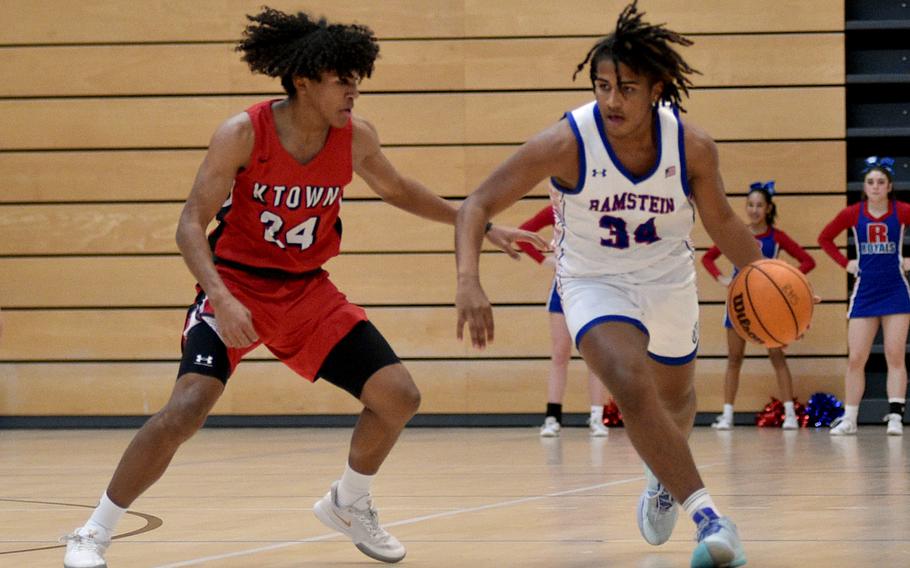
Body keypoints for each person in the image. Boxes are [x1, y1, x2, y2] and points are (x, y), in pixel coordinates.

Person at [62, 8, 543, 568]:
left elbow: (400, 190)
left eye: (357, 79)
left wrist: (480, 224)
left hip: (307, 292)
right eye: (342, 80)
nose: (353, 92)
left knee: (398, 397)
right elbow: (190, 225)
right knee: (187, 408)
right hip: (237, 286)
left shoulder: (354, 138)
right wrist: (220, 296)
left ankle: (349, 502)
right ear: (304, 80)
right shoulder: (243, 133)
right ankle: (93, 531)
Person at [455, 2, 760, 566]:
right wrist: (469, 279)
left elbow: (721, 221)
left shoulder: (691, 146)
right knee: (627, 380)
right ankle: (712, 520)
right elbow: (477, 203)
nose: (612, 101)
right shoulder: (565, 142)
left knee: (676, 400)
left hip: (668, 278)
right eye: (602, 86)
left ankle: (664, 479)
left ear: (657, 88)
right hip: (593, 281)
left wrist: (767, 273)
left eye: (626, 88)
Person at [702, 181, 816, 430]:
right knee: (734, 359)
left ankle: (790, 415)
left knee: (777, 357)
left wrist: (788, 281)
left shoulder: (777, 237)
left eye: (759, 205)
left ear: (768, 208)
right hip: (740, 303)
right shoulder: (736, 232)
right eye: (750, 205)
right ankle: (727, 415)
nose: (754, 210)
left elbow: (808, 261)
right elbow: (707, 257)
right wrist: (722, 278)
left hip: (769, 307)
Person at [818, 156, 909, 436]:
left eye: (881, 182)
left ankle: (895, 416)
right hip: (865, 292)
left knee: (895, 356)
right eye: (871, 182)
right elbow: (824, 238)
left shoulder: (902, 211)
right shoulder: (853, 213)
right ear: (865, 187)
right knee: (856, 357)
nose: (876, 187)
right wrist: (846, 264)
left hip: (895, 289)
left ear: (890, 186)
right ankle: (850, 418)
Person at [517, 205, 610, 437]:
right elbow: (523, 234)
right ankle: (552, 418)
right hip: (563, 288)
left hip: (594, 287)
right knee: (560, 353)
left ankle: (598, 417)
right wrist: (543, 260)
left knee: (595, 355)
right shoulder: (555, 210)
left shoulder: (598, 208)